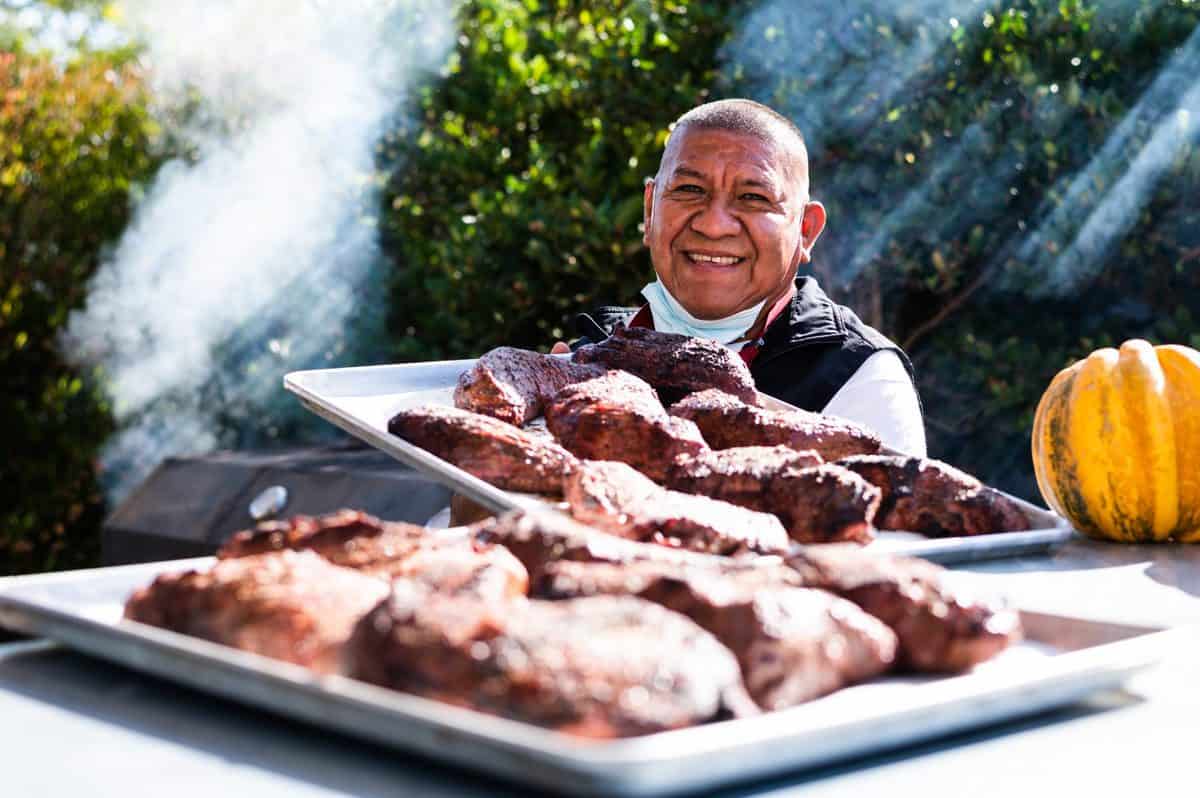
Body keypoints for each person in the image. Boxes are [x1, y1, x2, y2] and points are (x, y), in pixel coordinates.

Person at [554, 98, 926, 456]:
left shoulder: (858, 380)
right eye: (689, 190)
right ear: (650, 210)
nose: (714, 226)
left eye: (753, 197)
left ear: (806, 230)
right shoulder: (595, 350)